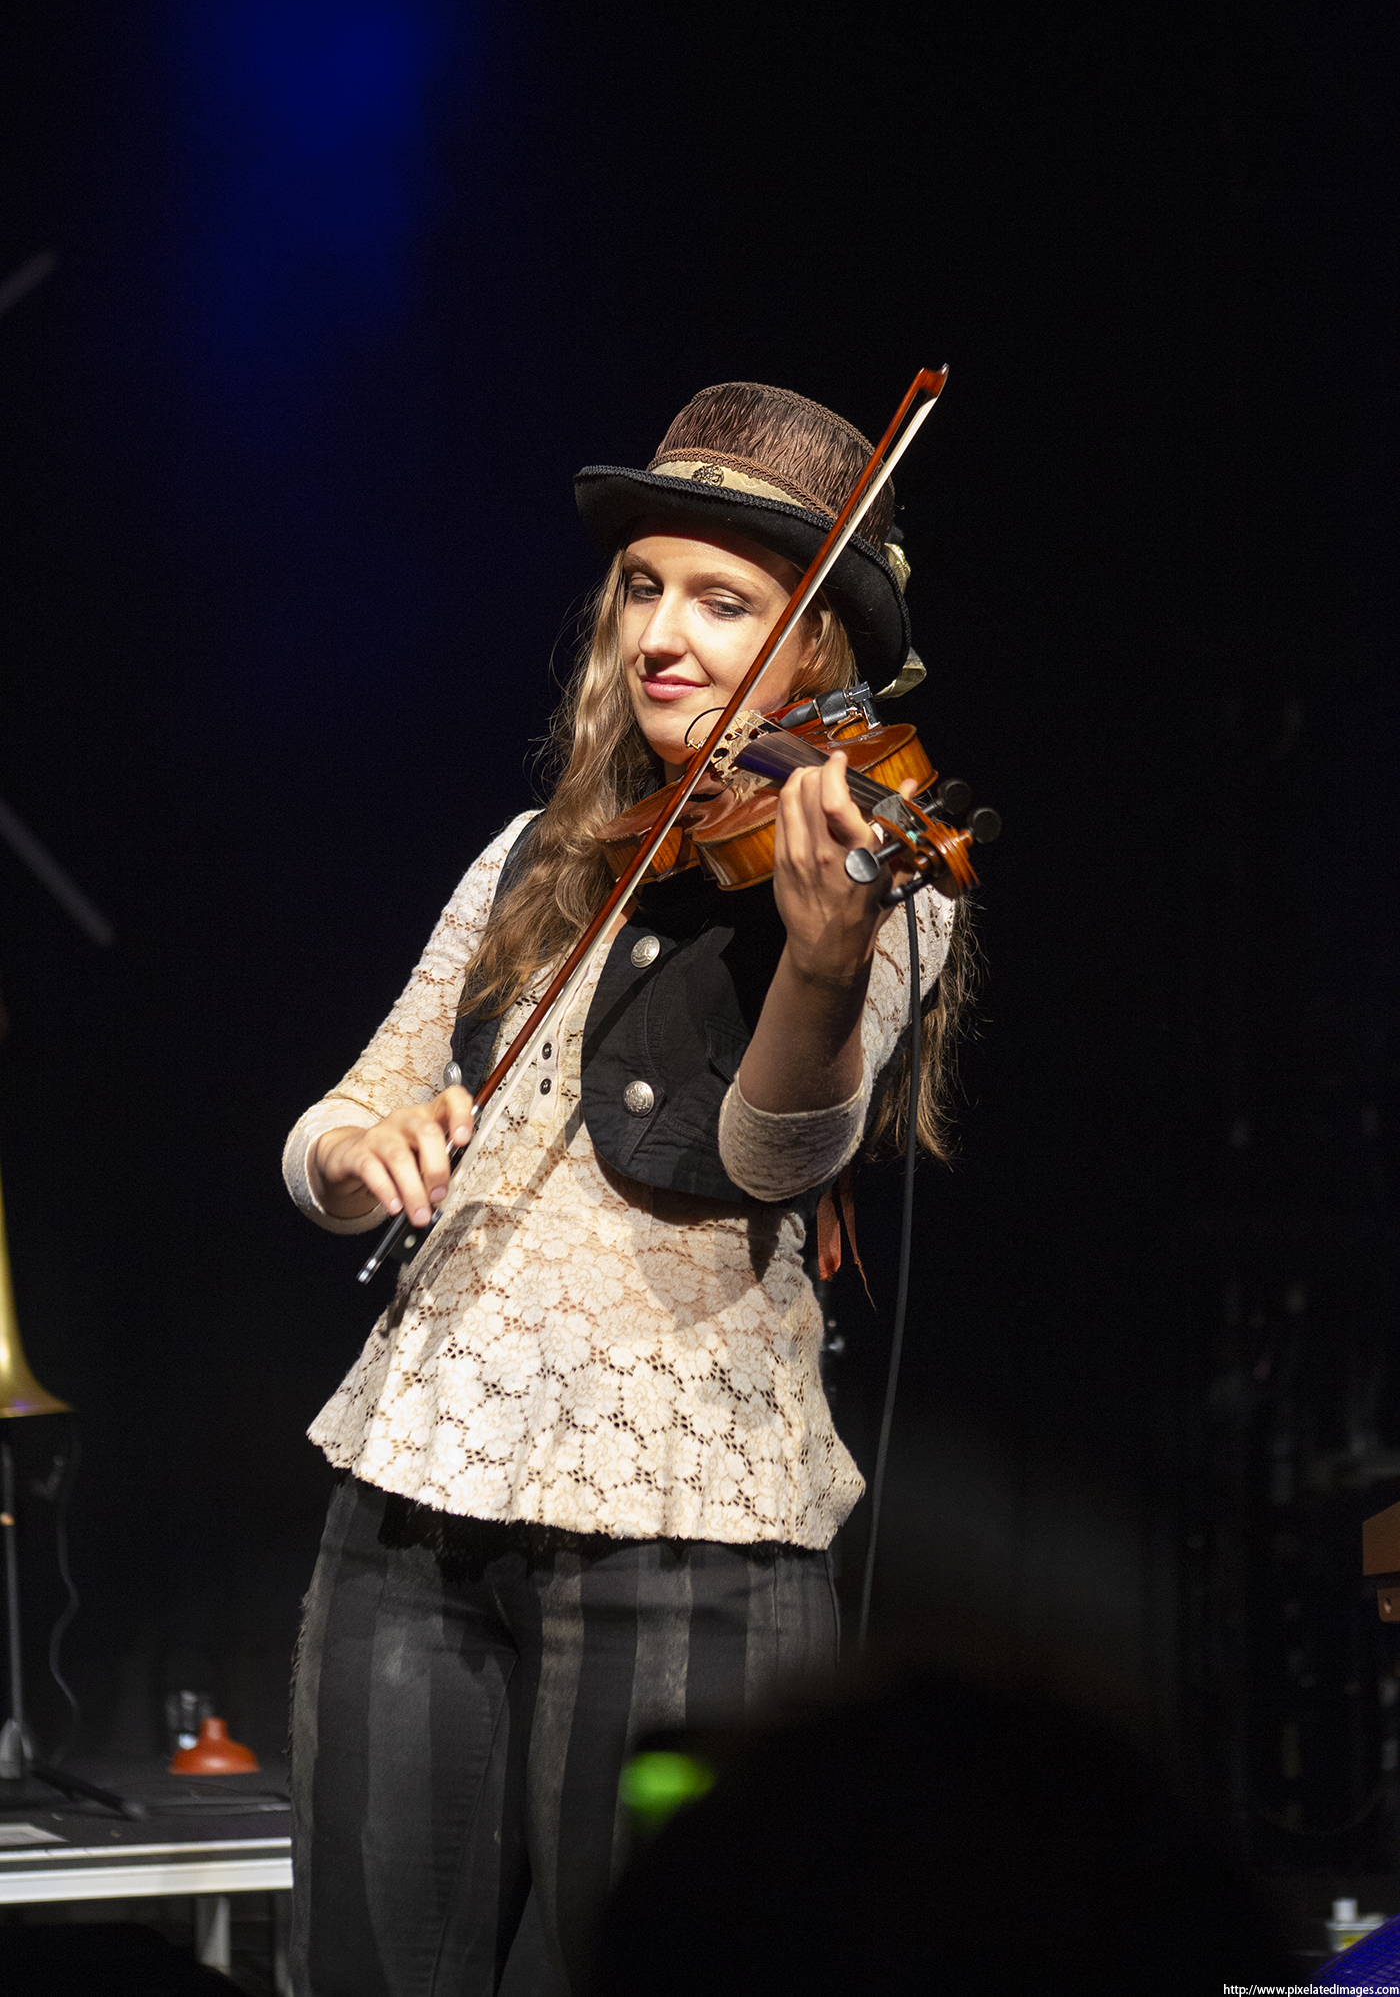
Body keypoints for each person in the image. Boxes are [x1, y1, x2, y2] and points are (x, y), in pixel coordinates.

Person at [282, 381, 972, 1996]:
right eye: (645, 587)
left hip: (684, 1531)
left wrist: (821, 963)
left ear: (818, 646)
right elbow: (341, 1116)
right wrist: (350, 1157)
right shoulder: (537, 853)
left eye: (724, 602)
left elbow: (775, 1156)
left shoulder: (873, 874)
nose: (663, 633)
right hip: (412, 1497)